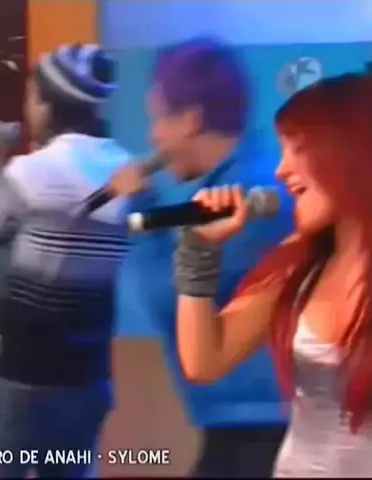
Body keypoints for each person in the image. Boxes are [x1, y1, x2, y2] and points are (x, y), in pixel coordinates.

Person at [109, 38, 293, 478]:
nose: (152, 137)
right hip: (250, 424)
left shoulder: (248, 198)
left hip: (261, 430)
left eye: (158, 120)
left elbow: (171, 300)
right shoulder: (247, 179)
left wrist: (139, 205)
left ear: (190, 120)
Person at [174, 73, 372, 477]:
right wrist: (199, 250)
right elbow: (203, 361)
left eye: (298, 149)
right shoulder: (300, 262)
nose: (280, 172)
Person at [0, 44, 130, 478]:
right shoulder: (127, 169)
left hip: (23, 378)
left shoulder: (30, 173)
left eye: (31, 95)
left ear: (47, 103)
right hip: (90, 379)